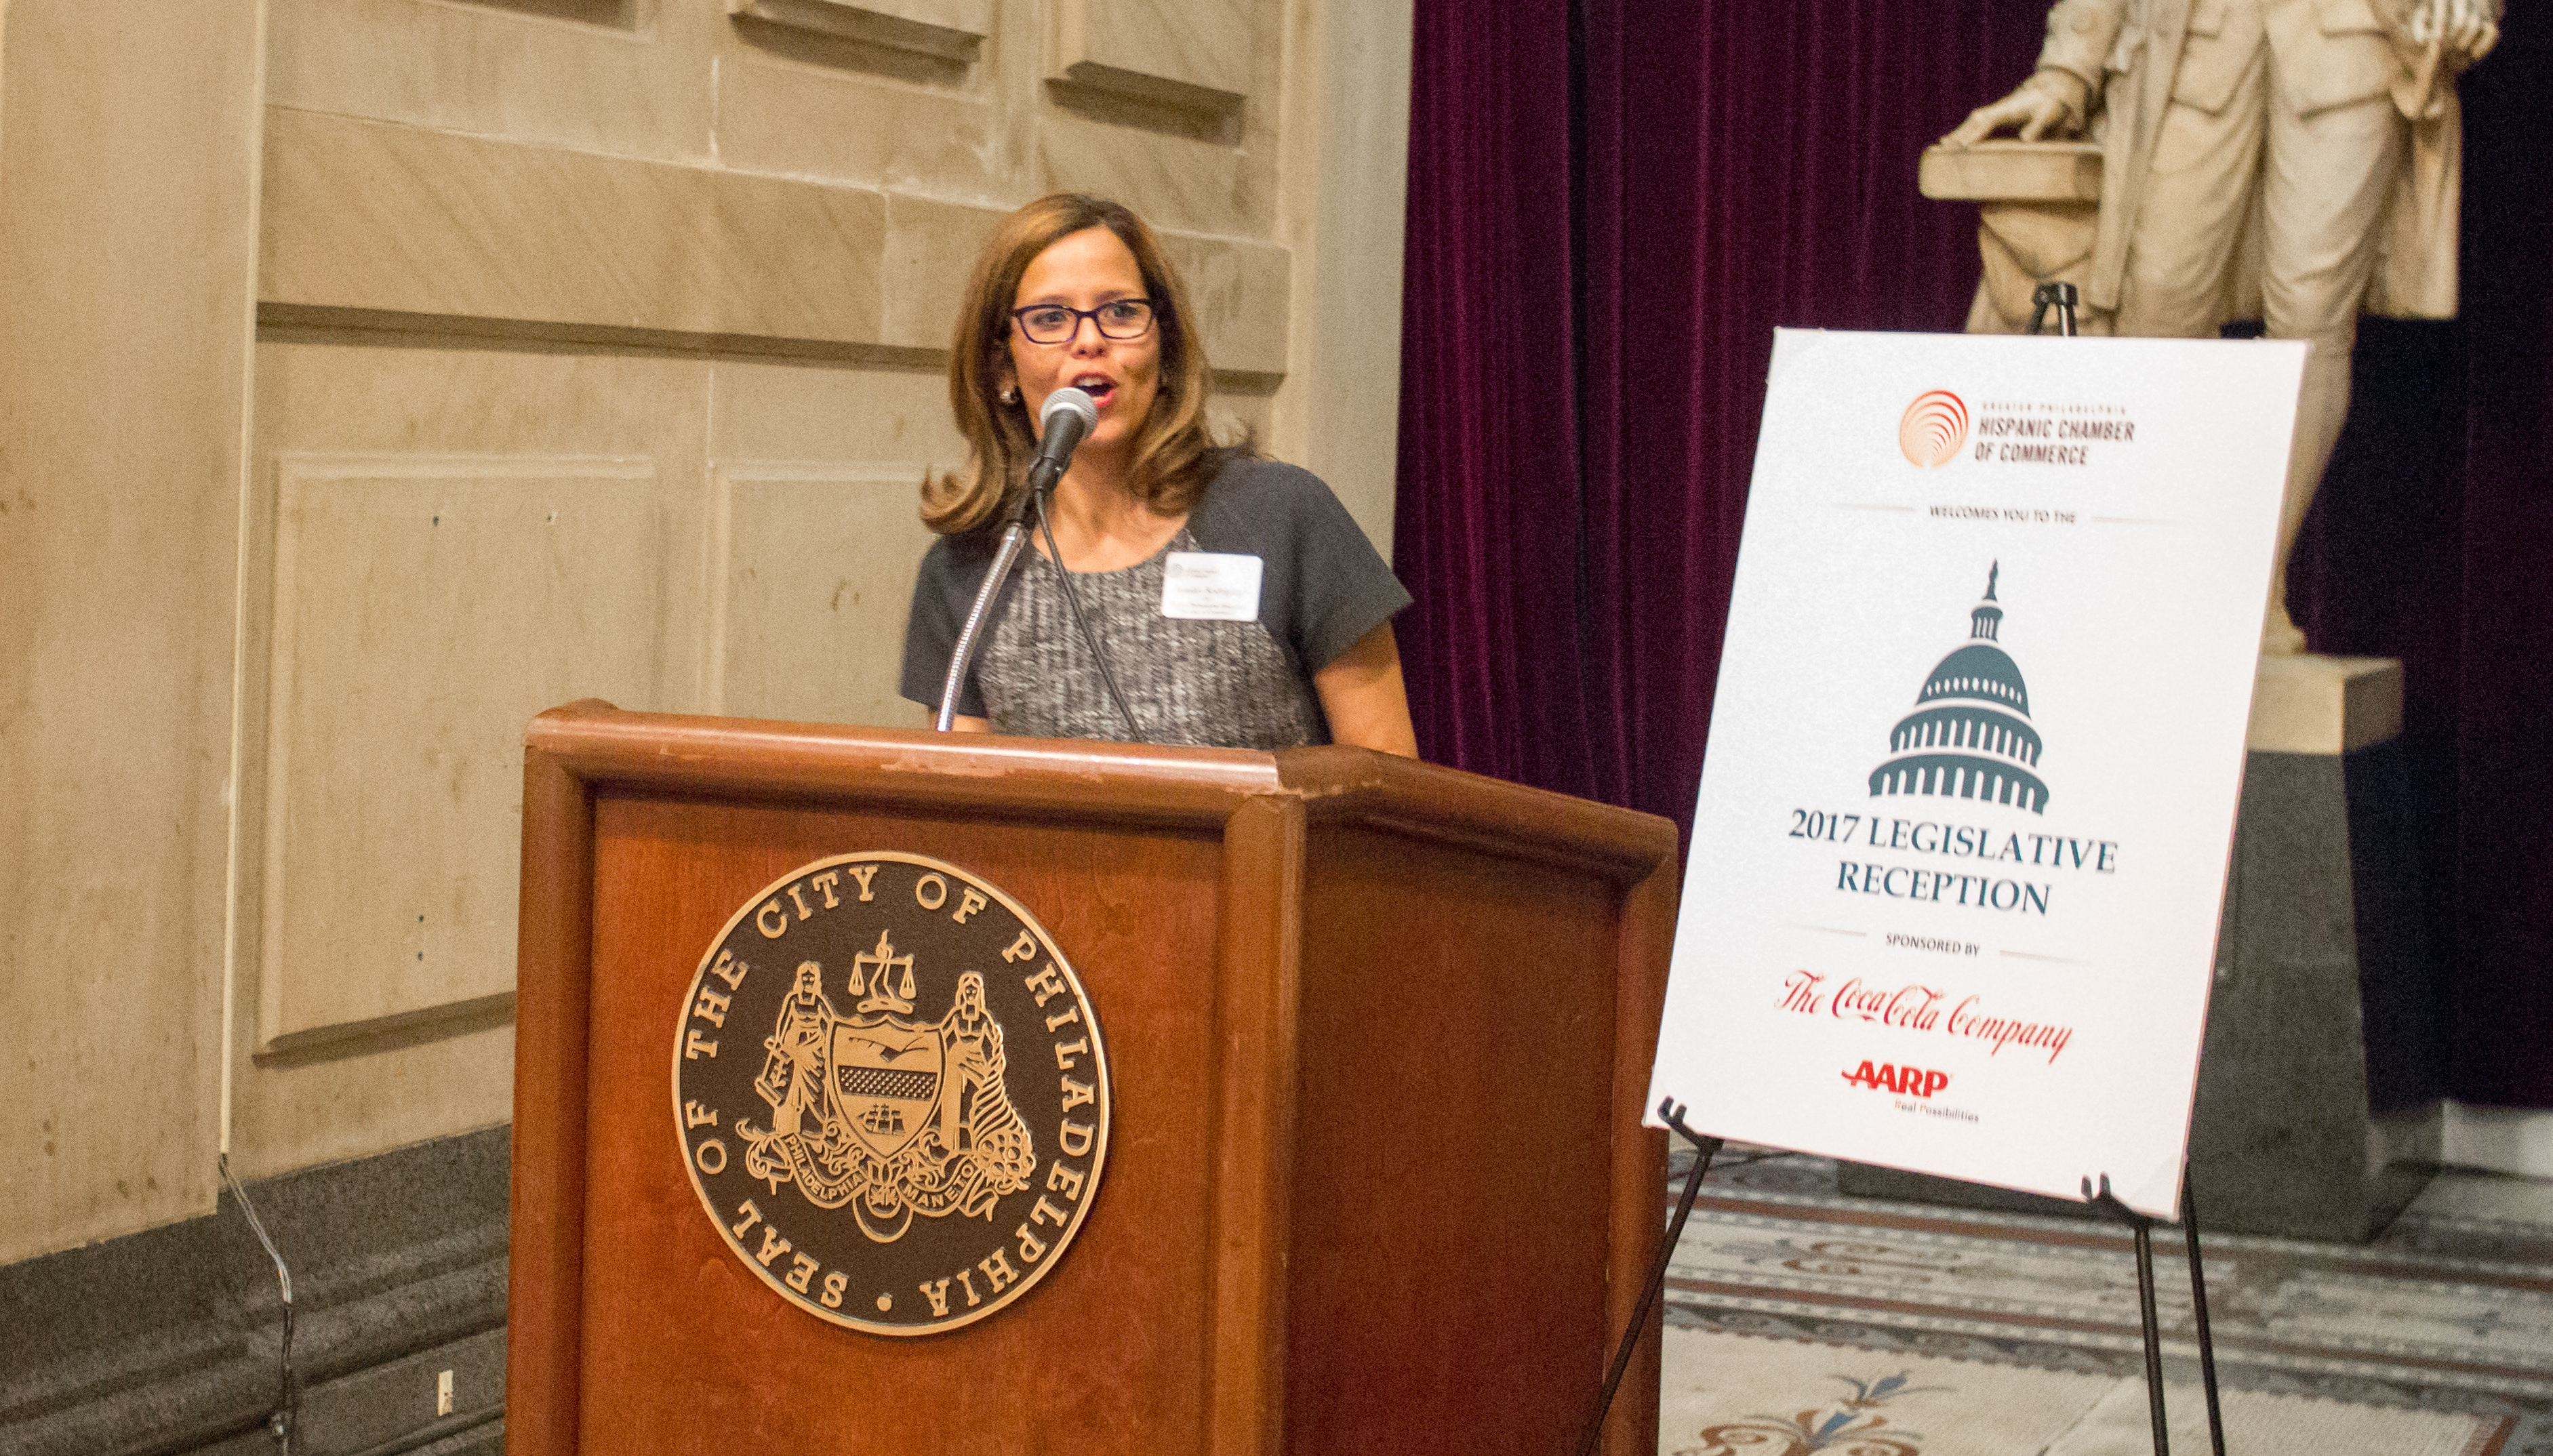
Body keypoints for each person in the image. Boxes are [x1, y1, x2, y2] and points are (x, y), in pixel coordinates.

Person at [1941, 0, 2499, 655]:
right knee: (2154, 316)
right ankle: (2148, 569)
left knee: (2311, 329)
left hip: (2355, 36)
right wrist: (2067, 71)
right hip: (2192, 39)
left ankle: (2250, 588)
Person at [898, 193, 1418, 754]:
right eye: (1051, 318)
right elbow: (963, 806)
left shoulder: (1285, 516)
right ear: (1003, 365)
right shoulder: (971, 569)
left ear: (1164, 350)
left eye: (1121, 312)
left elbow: (1383, 777)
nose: (1090, 340)